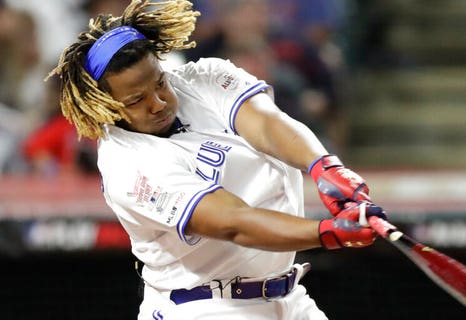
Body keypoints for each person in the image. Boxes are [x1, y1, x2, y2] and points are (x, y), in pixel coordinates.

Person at [47, 1, 385, 319]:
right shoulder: (126, 163)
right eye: (136, 99)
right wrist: (329, 232)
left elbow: (268, 124)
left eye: (160, 82)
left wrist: (325, 167)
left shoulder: (203, 77)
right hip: (205, 306)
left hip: (288, 297)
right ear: (103, 106)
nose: (159, 102)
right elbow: (233, 222)